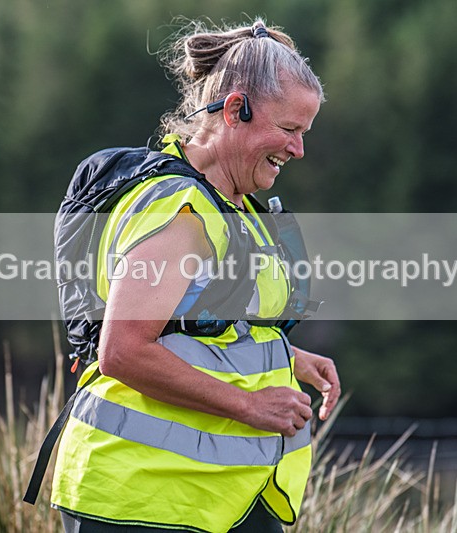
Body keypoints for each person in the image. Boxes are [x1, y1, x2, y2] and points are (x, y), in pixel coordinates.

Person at [50, 18, 341, 533]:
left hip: (220, 496)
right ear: (235, 110)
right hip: (140, 498)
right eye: (289, 130)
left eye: (304, 133)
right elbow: (123, 350)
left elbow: (199, 324)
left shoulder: (235, 205)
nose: (298, 150)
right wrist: (249, 405)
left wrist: (287, 359)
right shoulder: (179, 213)